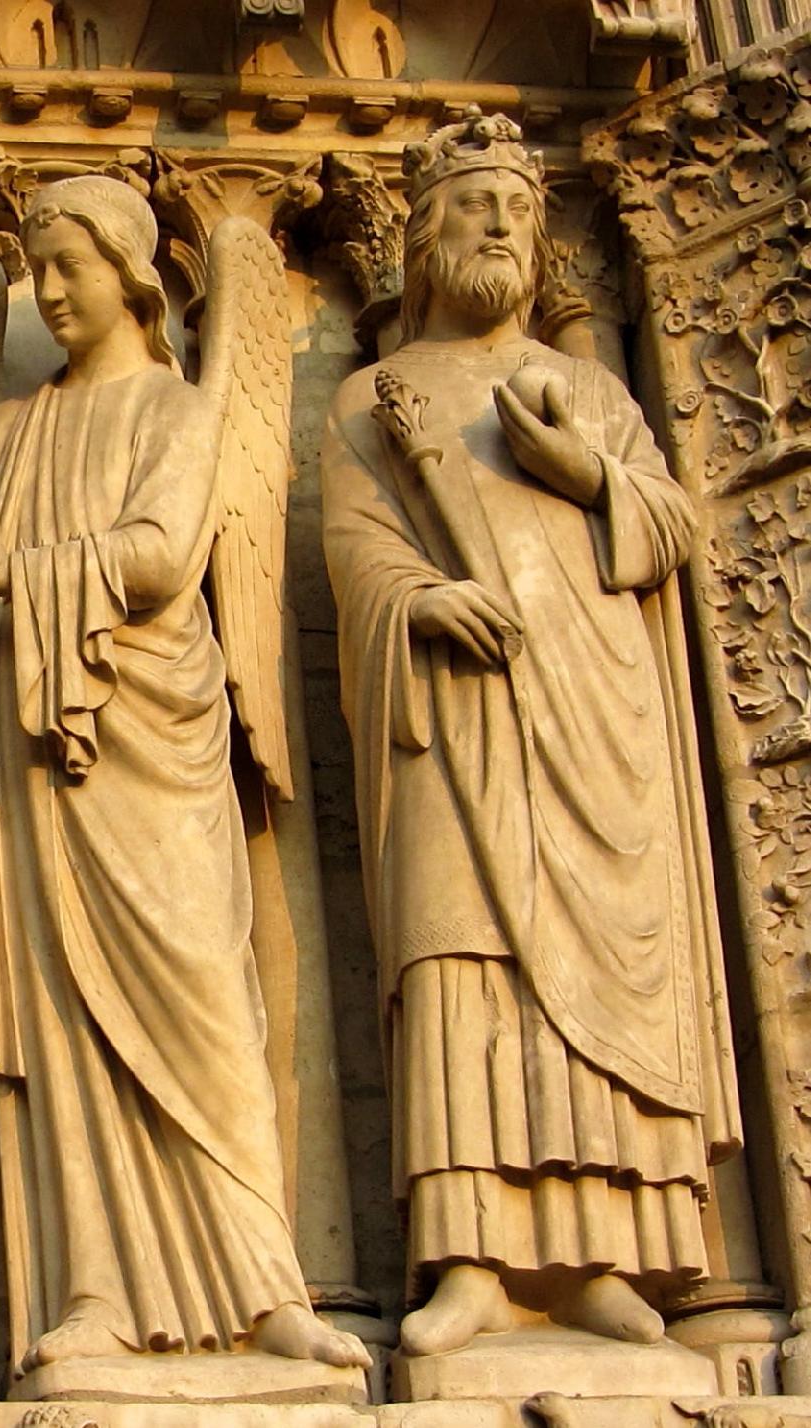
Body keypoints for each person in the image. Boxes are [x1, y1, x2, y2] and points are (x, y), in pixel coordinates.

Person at [0, 175, 368, 1376]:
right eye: (36, 270)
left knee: (208, 1000)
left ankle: (266, 1287)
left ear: (132, 272)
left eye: (72, 265)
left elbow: (160, 560)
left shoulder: (176, 410)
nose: (50, 291)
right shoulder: (6, 433)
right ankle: (94, 1286)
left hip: (153, 741)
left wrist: (13, 569)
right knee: (67, 1022)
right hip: (35, 760)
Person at [321, 111, 738, 1356]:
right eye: (473, 204)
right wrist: (420, 598)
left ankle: (601, 1255)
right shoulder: (372, 397)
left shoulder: (595, 389)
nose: (500, 223)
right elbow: (352, 546)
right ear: (422, 237)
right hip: (454, 713)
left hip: (599, 711)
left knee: (602, 969)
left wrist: (585, 472)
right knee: (459, 953)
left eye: (517, 205)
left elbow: (672, 530)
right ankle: (473, 1255)